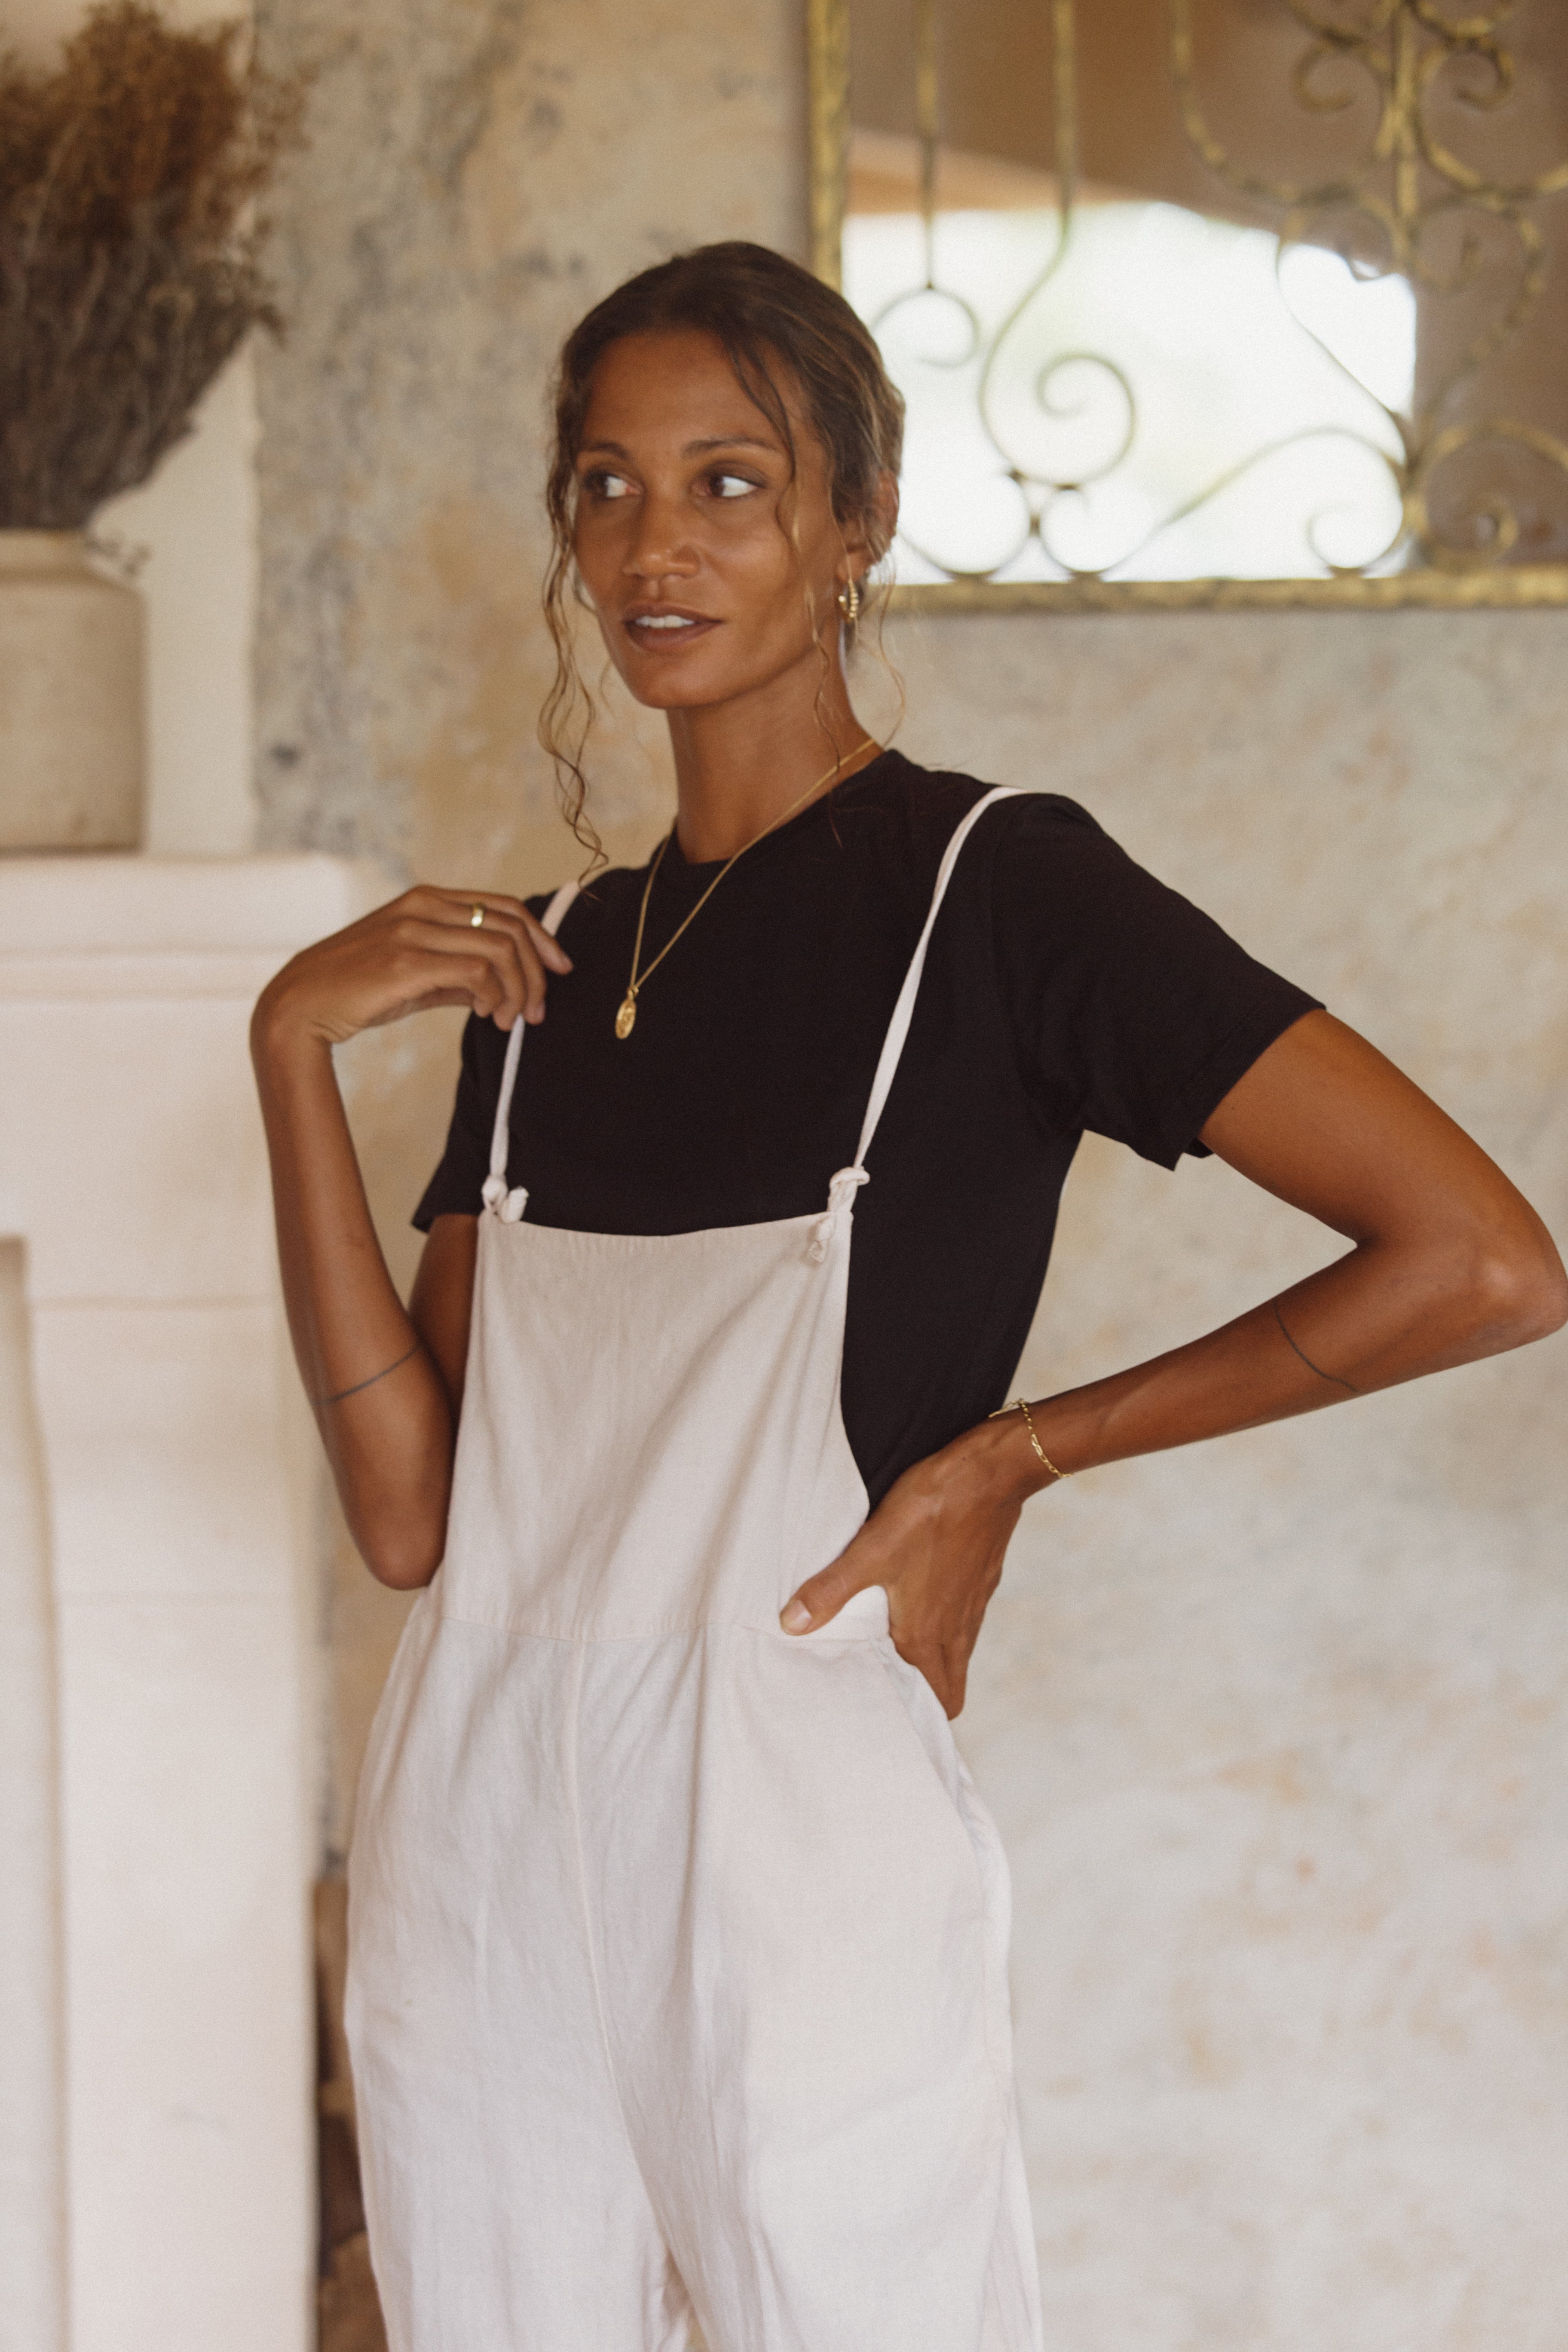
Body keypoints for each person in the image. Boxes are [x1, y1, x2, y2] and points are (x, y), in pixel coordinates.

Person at [251, 242, 1566, 2352]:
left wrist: (1012, 1464)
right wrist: (287, 1057)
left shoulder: (999, 892)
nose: (653, 545)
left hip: (790, 1807)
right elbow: (416, 1522)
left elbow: (1483, 1261)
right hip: (477, 1815)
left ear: (856, 520)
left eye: (730, 483)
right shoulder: (543, 963)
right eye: (603, 486)